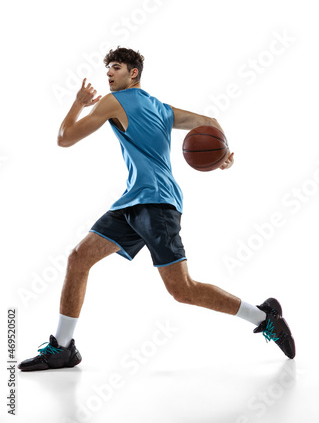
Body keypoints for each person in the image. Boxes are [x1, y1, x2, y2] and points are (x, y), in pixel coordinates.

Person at [18, 47, 295, 371]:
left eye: (116, 67)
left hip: (156, 205)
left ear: (133, 73)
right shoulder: (162, 108)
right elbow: (210, 121)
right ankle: (62, 348)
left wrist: (79, 103)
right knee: (79, 258)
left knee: (182, 289)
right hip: (134, 202)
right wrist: (224, 155)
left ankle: (264, 316)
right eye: (107, 67)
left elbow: (64, 138)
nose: (108, 73)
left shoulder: (114, 102)